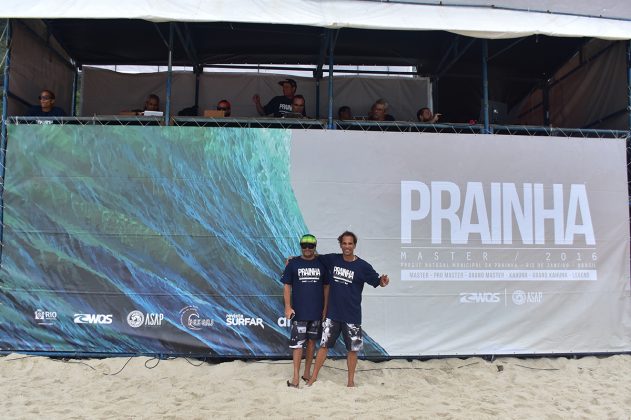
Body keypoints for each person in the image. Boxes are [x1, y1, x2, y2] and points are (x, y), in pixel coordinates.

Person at [307, 231, 389, 387]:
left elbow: (377, 281)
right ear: (340, 244)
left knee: (352, 350)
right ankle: (313, 377)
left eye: (350, 243)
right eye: (344, 243)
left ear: (354, 245)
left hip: (352, 315)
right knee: (324, 346)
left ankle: (350, 382)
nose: (347, 246)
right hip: (333, 314)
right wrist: (296, 259)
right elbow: (315, 257)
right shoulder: (333, 259)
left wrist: (382, 281)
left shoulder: (363, 266)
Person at [281, 234, 329, 388]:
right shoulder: (293, 263)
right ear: (300, 246)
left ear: (315, 246)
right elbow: (287, 285)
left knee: (311, 343)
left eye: (311, 246)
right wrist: (288, 307)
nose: (307, 249)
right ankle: (295, 376)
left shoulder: (322, 263)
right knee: (297, 344)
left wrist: (325, 308)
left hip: (316, 311)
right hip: (299, 312)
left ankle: (307, 372)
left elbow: (326, 287)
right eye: (304, 245)